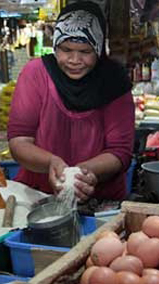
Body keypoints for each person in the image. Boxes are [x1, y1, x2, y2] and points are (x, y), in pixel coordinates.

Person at [7, 1, 135, 202]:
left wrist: (84, 174)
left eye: (85, 52)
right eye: (66, 49)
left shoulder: (114, 81)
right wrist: (51, 162)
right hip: (39, 195)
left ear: (99, 49)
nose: (74, 60)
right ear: (55, 45)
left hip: (99, 200)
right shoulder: (36, 74)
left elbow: (120, 151)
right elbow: (19, 140)